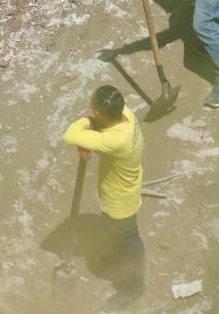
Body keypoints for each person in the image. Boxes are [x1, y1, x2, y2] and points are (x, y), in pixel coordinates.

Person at [62, 86, 145, 311]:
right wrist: (90, 137)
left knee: (130, 241)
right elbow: (99, 134)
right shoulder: (127, 114)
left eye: (92, 108)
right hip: (128, 185)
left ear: (99, 113)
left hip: (120, 200)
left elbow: (70, 134)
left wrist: (88, 123)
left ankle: (134, 286)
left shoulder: (115, 141)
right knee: (116, 233)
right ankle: (120, 258)